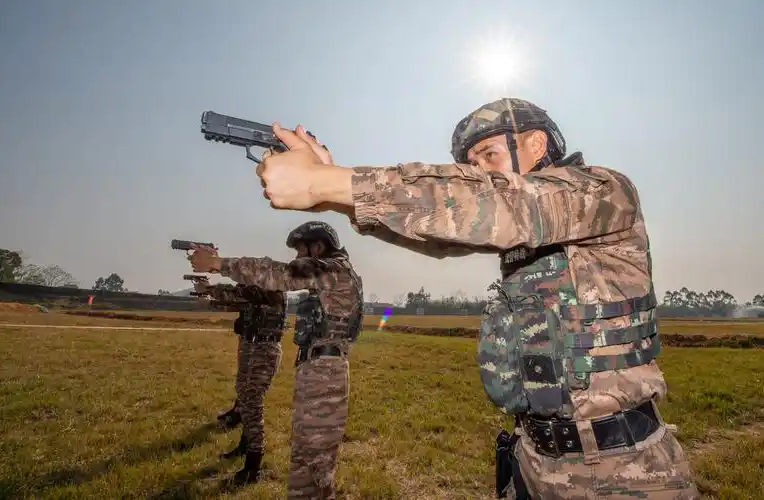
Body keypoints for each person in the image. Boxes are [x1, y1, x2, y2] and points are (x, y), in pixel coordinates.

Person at [252, 98, 700, 499]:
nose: (480, 170)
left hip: (624, 471)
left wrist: (330, 183)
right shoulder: (518, 223)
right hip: (535, 460)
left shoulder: (600, 191)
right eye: (471, 162)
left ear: (536, 143)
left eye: (489, 154)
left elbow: (494, 203)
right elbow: (444, 233)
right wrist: (336, 195)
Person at [188, 221, 363, 500]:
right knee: (308, 467)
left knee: (314, 469)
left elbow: (277, 273)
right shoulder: (334, 273)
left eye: (300, 251)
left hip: (324, 372)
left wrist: (217, 263)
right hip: (320, 370)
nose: (296, 259)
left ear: (317, 247)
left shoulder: (332, 270)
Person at [190, 279, 286, 486]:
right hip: (252, 347)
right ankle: (245, 446)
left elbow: (238, 295)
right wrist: (208, 297)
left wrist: (209, 289)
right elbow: (234, 302)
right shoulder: (256, 292)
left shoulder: (271, 288)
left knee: (252, 404)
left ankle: (253, 466)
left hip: (264, 351)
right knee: (244, 398)